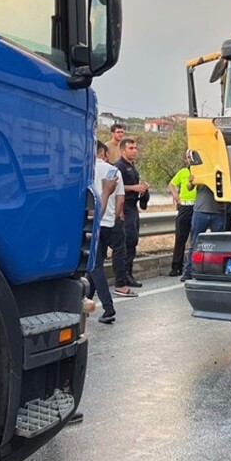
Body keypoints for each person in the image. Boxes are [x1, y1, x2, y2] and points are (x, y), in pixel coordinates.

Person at [87, 141, 120, 324]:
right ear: (104, 152)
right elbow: (120, 198)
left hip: (92, 223)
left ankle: (108, 308)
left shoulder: (87, 170)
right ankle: (82, 303)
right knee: (93, 265)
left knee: (95, 265)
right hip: (108, 222)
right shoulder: (114, 171)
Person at [114, 136, 149, 292]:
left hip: (133, 207)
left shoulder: (133, 167)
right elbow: (115, 187)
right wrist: (133, 188)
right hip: (125, 208)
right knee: (128, 241)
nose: (134, 151)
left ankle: (129, 272)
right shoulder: (118, 167)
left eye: (135, 148)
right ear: (122, 150)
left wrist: (142, 189)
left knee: (133, 241)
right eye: (131, 148)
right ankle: (124, 275)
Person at [181, 171, 227, 280]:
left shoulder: (223, 168)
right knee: (194, 242)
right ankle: (189, 271)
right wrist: (191, 181)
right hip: (200, 211)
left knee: (218, 244)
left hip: (218, 212)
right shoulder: (201, 168)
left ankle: (217, 271)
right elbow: (189, 187)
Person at [167, 150, 197, 276]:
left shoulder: (201, 173)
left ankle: (193, 266)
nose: (191, 160)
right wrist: (177, 198)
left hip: (197, 207)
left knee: (195, 238)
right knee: (180, 238)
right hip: (185, 206)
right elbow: (172, 184)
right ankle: (176, 266)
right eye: (189, 158)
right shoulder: (183, 172)